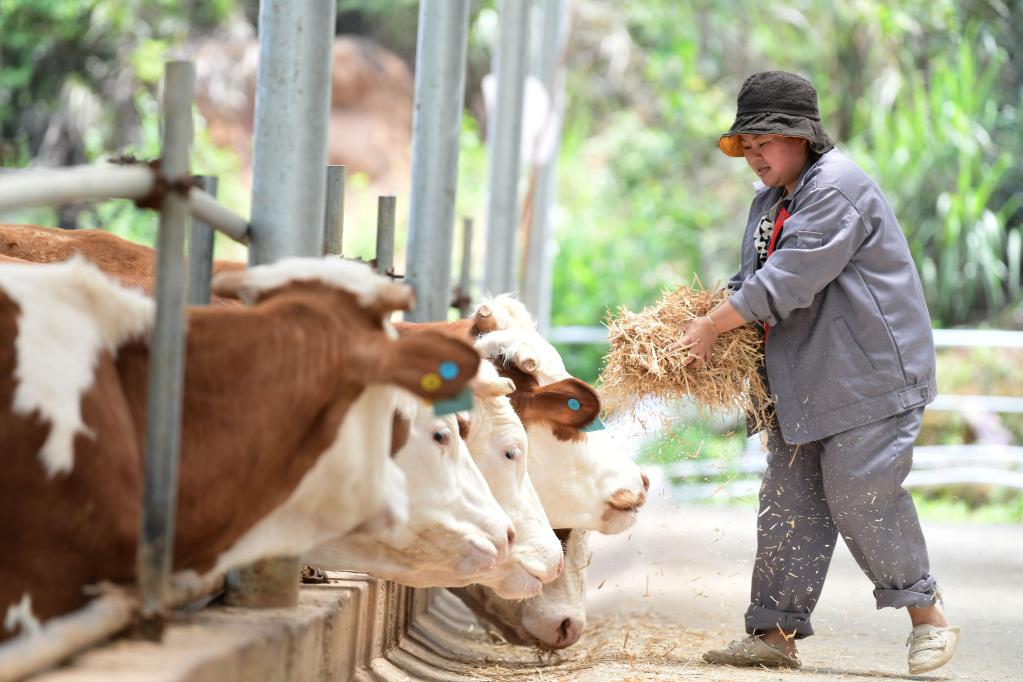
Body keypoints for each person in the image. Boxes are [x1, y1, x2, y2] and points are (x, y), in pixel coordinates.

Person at [673, 71, 960, 674]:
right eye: (747, 146)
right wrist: (707, 314)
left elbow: (789, 280)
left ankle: (928, 619)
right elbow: (754, 278)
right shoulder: (772, 201)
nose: (754, 157)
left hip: (868, 378)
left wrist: (713, 325)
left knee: (861, 495)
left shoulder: (835, 189)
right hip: (801, 382)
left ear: (802, 138)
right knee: (788, 502)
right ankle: (773, 634)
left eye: (765, 143)